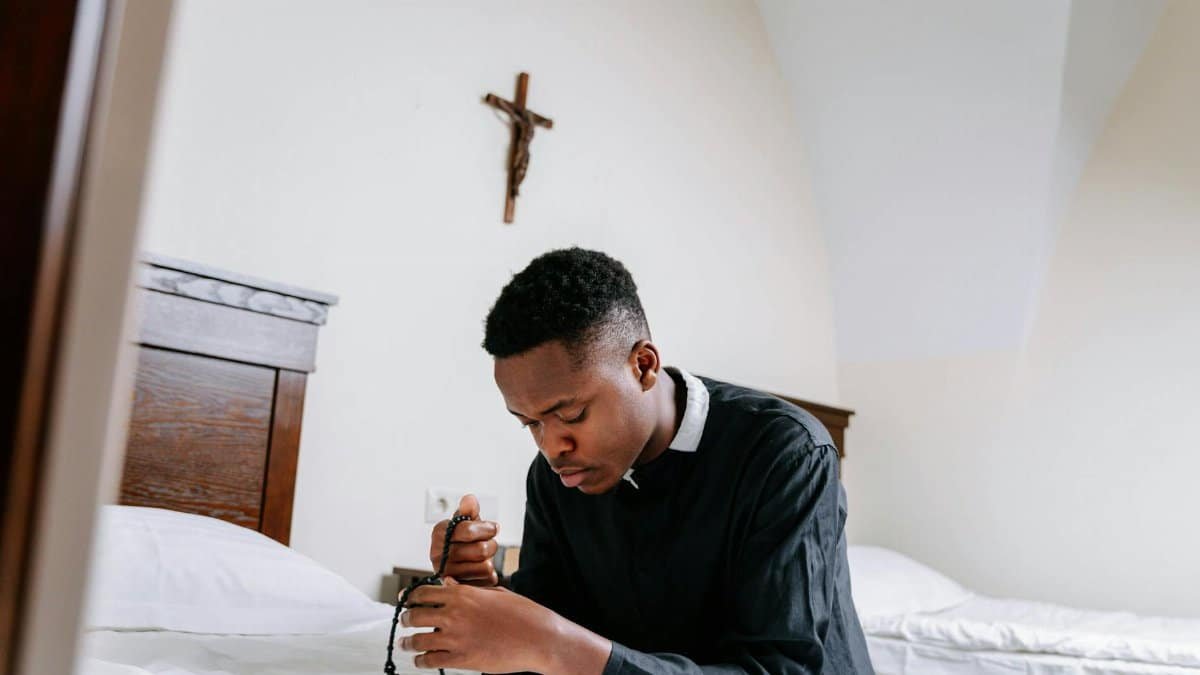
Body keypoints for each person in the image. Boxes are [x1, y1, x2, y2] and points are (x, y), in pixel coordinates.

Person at [399, 248, 873, 674]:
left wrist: (556, 646)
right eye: (530, 423)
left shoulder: (784, 453)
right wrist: (488, 593)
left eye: (570, 414)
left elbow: (782, 669)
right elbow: (551, 631)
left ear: (643, 365)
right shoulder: (555, 476)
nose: (550, 447)